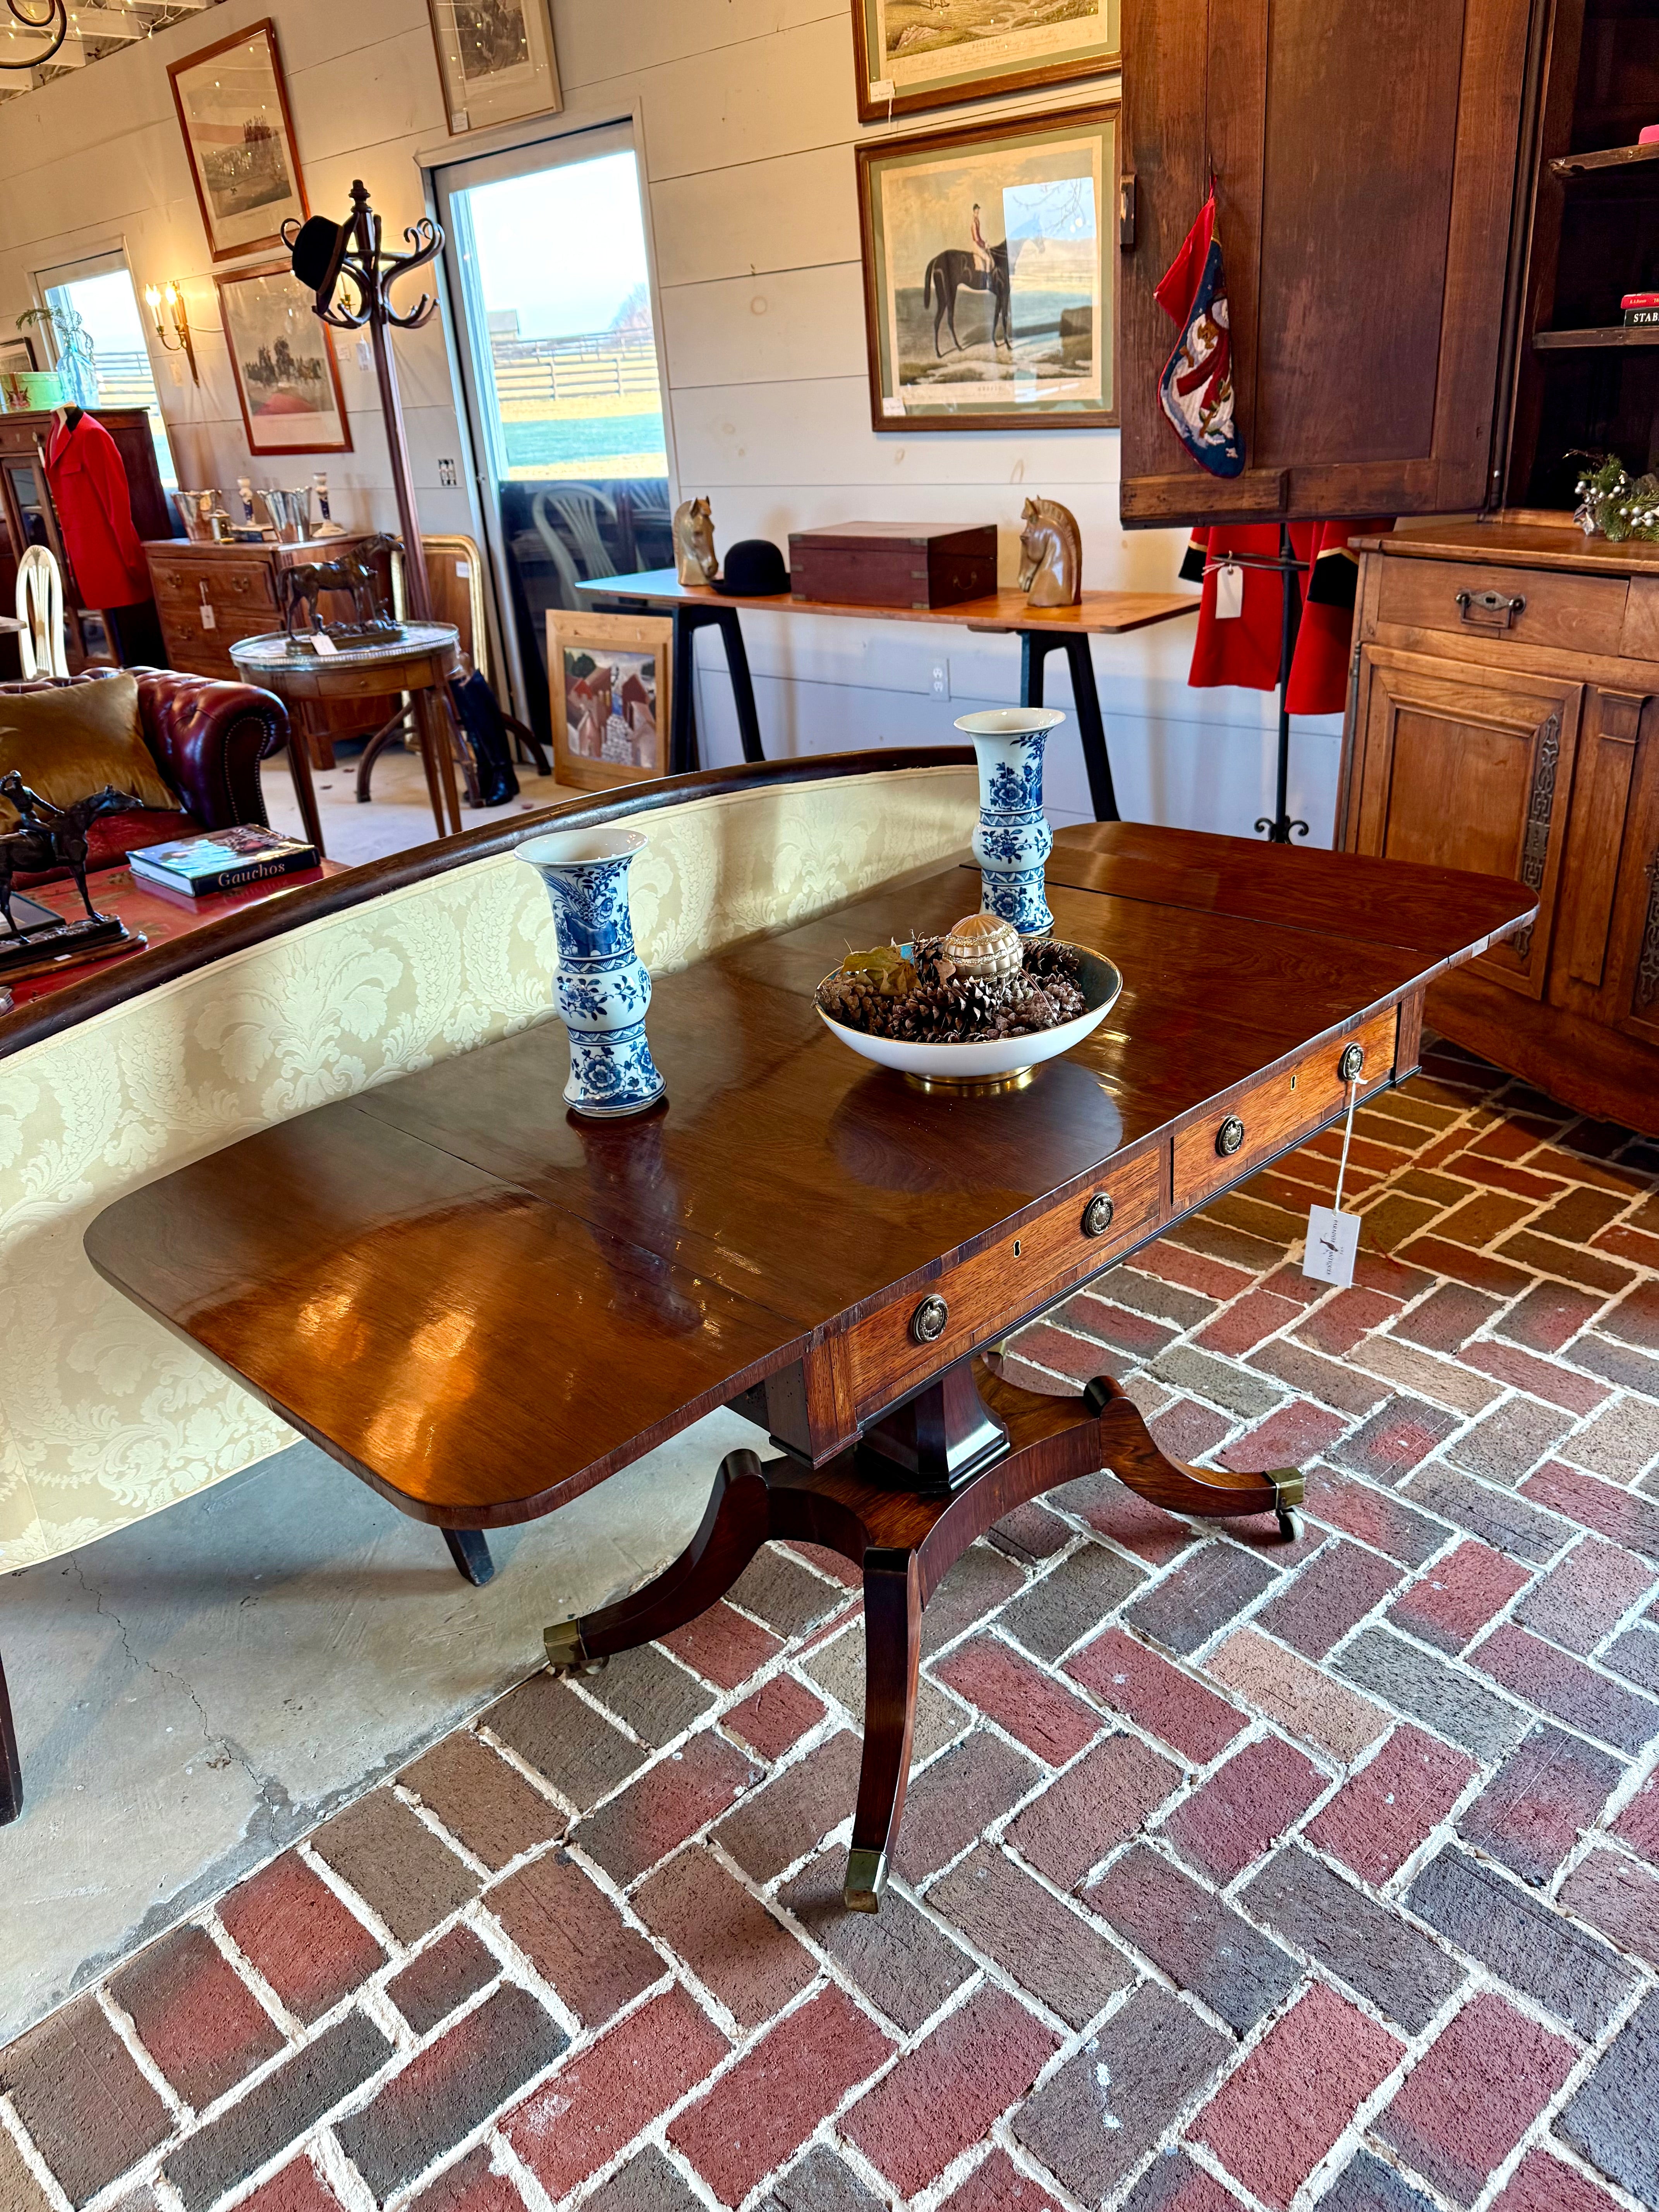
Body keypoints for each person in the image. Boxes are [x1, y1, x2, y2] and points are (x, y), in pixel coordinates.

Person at [970, 203, 993, 275]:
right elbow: (977, 239)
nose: (978, 213)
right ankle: (988, 281)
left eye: (978, 212)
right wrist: (984, 245)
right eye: (977, 212)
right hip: (976, 245)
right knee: (988, 260)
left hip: (979, 243)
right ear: (974, 212)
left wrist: (985, 243)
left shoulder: (977, 221)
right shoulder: (974, 223)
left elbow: (979, 237)